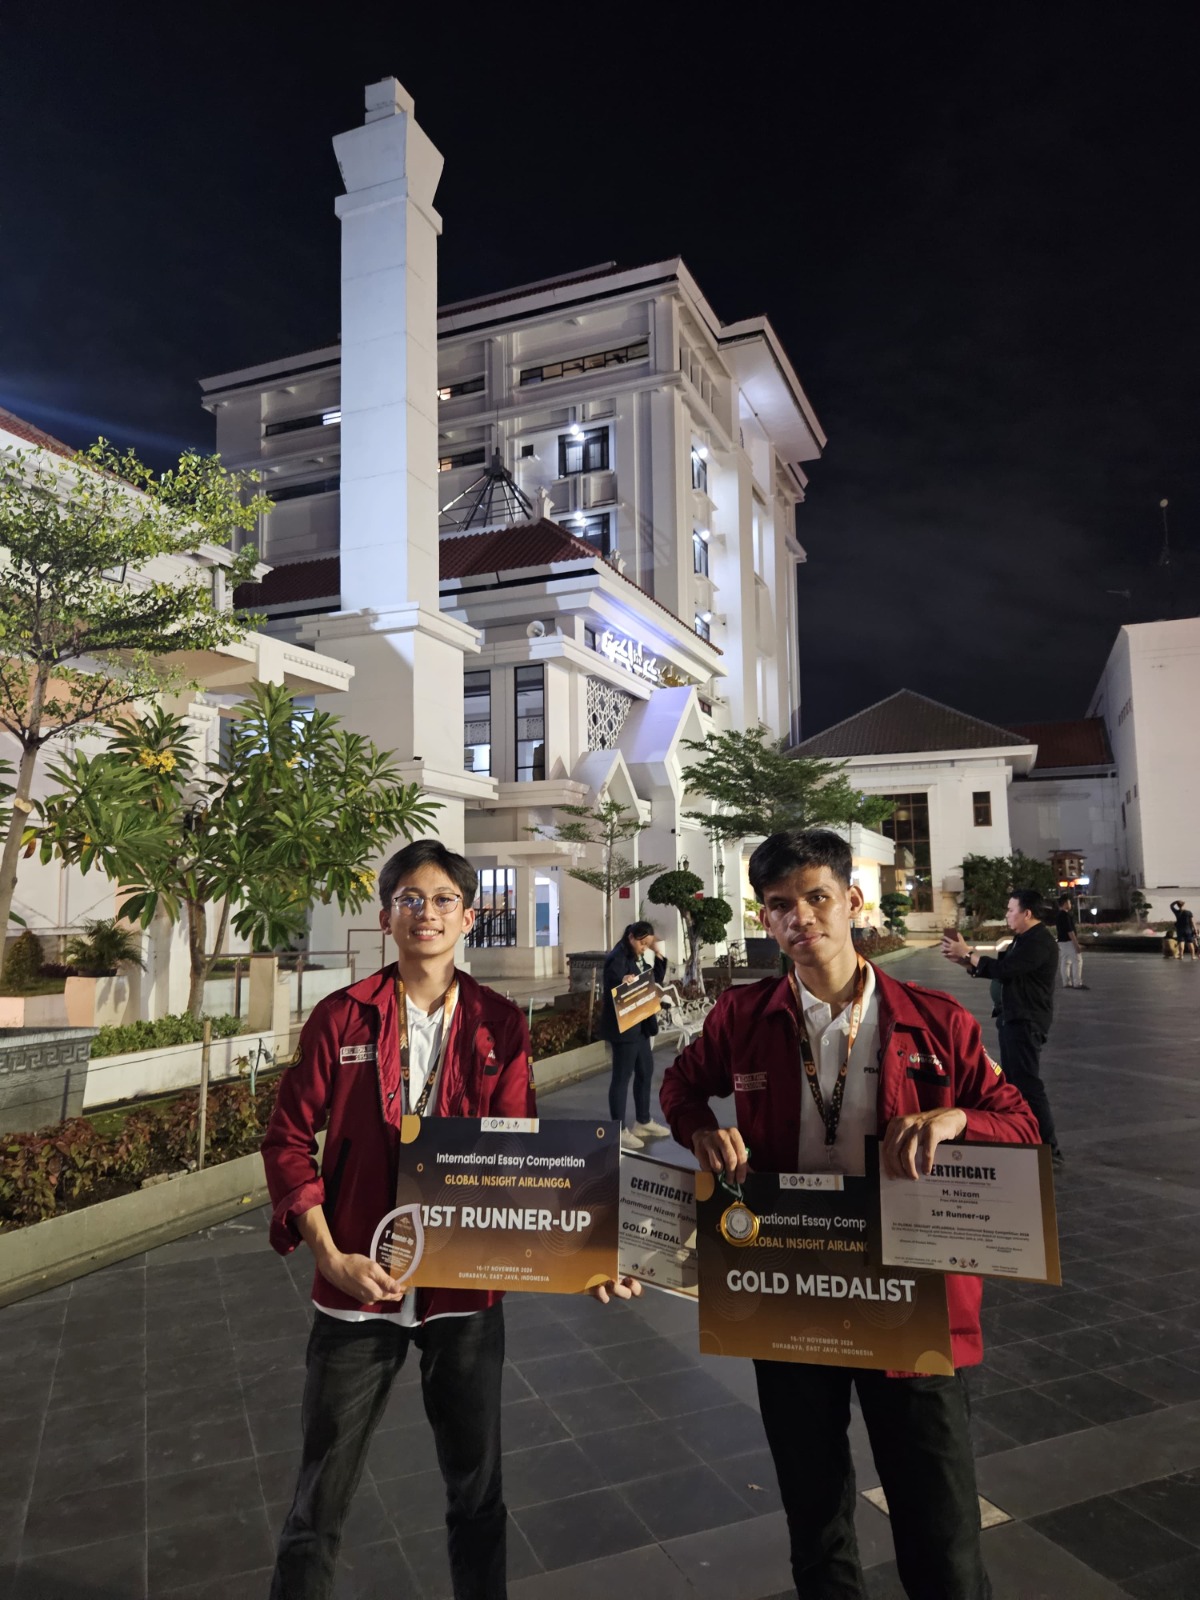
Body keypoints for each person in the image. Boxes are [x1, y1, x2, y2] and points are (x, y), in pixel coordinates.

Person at [661, 829, 1039, 1600]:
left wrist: (955, 1121)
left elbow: (1020, 1122)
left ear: (852, 902)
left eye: (816, 897)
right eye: (778, 907)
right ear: (765, 921)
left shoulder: (934, 1020)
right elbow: (680, 1087)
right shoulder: (742, 1017)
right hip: (789, 1286)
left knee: (940, 1530)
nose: (800, 918)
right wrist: (701, 1128)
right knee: (817, 1521)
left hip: (909, 1289)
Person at [261, 838, 637, 1600]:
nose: (424, 914)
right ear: (385, 916)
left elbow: (519, 1154)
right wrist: (330, 1256)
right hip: (357, 1288)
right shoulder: (343, 1017)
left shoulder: (499, 1021)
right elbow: (288, 1141)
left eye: (441, 901)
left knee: (477, 1497)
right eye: (409, 900)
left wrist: (586, 1251)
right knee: (317, 1503)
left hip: (463, 1296)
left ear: (470, 917)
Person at [942, 889, 1062, 1164]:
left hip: (1026, 1020)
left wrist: (969, 952)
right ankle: (1026, 1139)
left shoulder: (1039, 942)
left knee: (1027, 1085)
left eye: (1011, 910)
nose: (1007, 915)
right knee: (1015, 1084)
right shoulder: (1022, 940)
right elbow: (998, 969)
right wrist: (964, 960)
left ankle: (1048, 1148)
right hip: (1012, 1019)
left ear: (1026, 913)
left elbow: (1006, 971)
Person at [600, 919, 670, 1152]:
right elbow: (613, 983)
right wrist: (623, 981)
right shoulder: (617, 958)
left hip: (639, 1026)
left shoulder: (634, 956)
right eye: (643, 944)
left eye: (647, 944)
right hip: (624, 1028)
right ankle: (617, 1131)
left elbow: (654, 980)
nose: (644, 948)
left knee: (645, 1070)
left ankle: (643, 1121)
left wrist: (658, 955)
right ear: (631, 938)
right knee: (622, 1077)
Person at [1055, 893, 1086, 989]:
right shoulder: (1065, 915)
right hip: (1069, 941)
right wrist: (1076, 944)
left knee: (1065, 962)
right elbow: (1070, 930)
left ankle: (1066, 982)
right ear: (1064, 903)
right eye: (1069, 902)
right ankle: (1077, 983)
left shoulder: (1058, 915)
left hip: (1061, 941)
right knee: (1077, 960)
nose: (1070, 904)